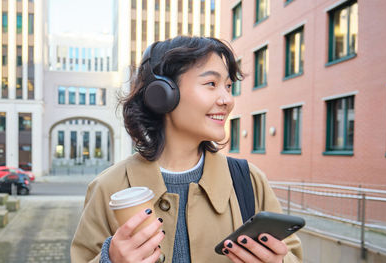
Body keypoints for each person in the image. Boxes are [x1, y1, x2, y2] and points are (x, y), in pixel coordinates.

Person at [70, 36, 302, 263]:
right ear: (162, 94)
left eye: (229, 86)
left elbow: (292, 255)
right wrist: (110, 261)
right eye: (211, 84)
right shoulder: (108, 187)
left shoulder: (249, 180)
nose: (227, 100)